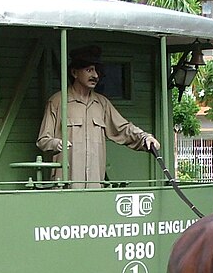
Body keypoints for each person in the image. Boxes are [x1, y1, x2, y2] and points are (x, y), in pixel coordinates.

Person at [37, 45, 160, 188]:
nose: (95, 75)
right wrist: (56, 143)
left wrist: (145, 137)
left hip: (95, 187)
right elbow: (43, 140)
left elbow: (123, 129)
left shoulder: (102, 103)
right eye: (89, 70)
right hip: (65, 187)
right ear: (74, 72)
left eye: (96, 71)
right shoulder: (57, 102)